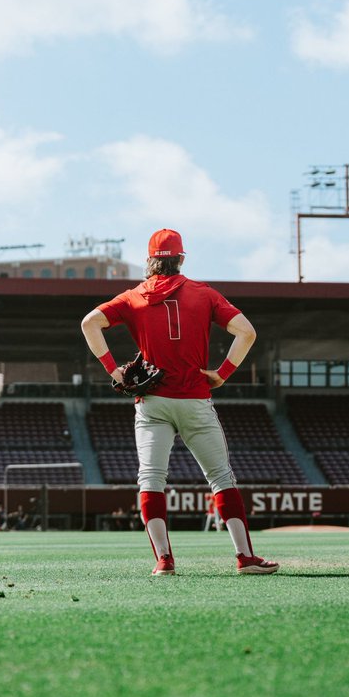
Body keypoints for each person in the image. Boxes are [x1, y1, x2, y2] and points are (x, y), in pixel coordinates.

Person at [80, 228, 278, 576]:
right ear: (181, 258)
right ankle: (245, 558)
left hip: (152, 403)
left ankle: (164, 561)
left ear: (149, 261)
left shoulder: (133, 297)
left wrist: (114, 371)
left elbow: (89, 323)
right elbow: (247, 331)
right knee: (220, 477)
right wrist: (223, 372)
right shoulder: (204, 294)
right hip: (195, 398)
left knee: (151, 479)